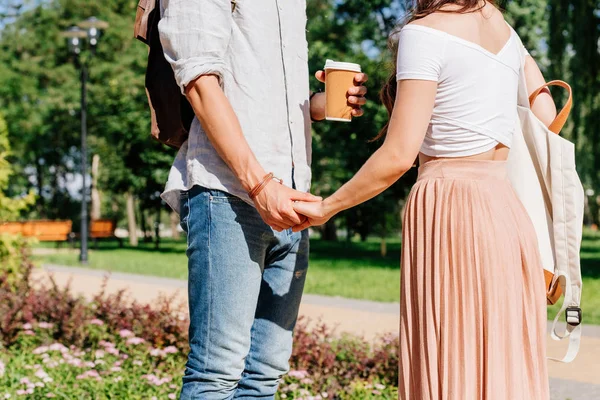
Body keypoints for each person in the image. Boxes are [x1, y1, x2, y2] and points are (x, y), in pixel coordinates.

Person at [293, 1, 555, 399]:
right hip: (504, 205)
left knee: (451, 359)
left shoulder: (424, 33)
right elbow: (546, 111)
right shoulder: (502, 27)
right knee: (502, 361)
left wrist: (327, 207)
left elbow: (398, 155)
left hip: (450, 208)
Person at [156, 1, 368, 398]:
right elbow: (198, 80)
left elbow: (266, 99)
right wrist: (260, 185)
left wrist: (321, 105)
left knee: (264, 376)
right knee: (216, 374)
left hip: (291, 200)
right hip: (230, 194)